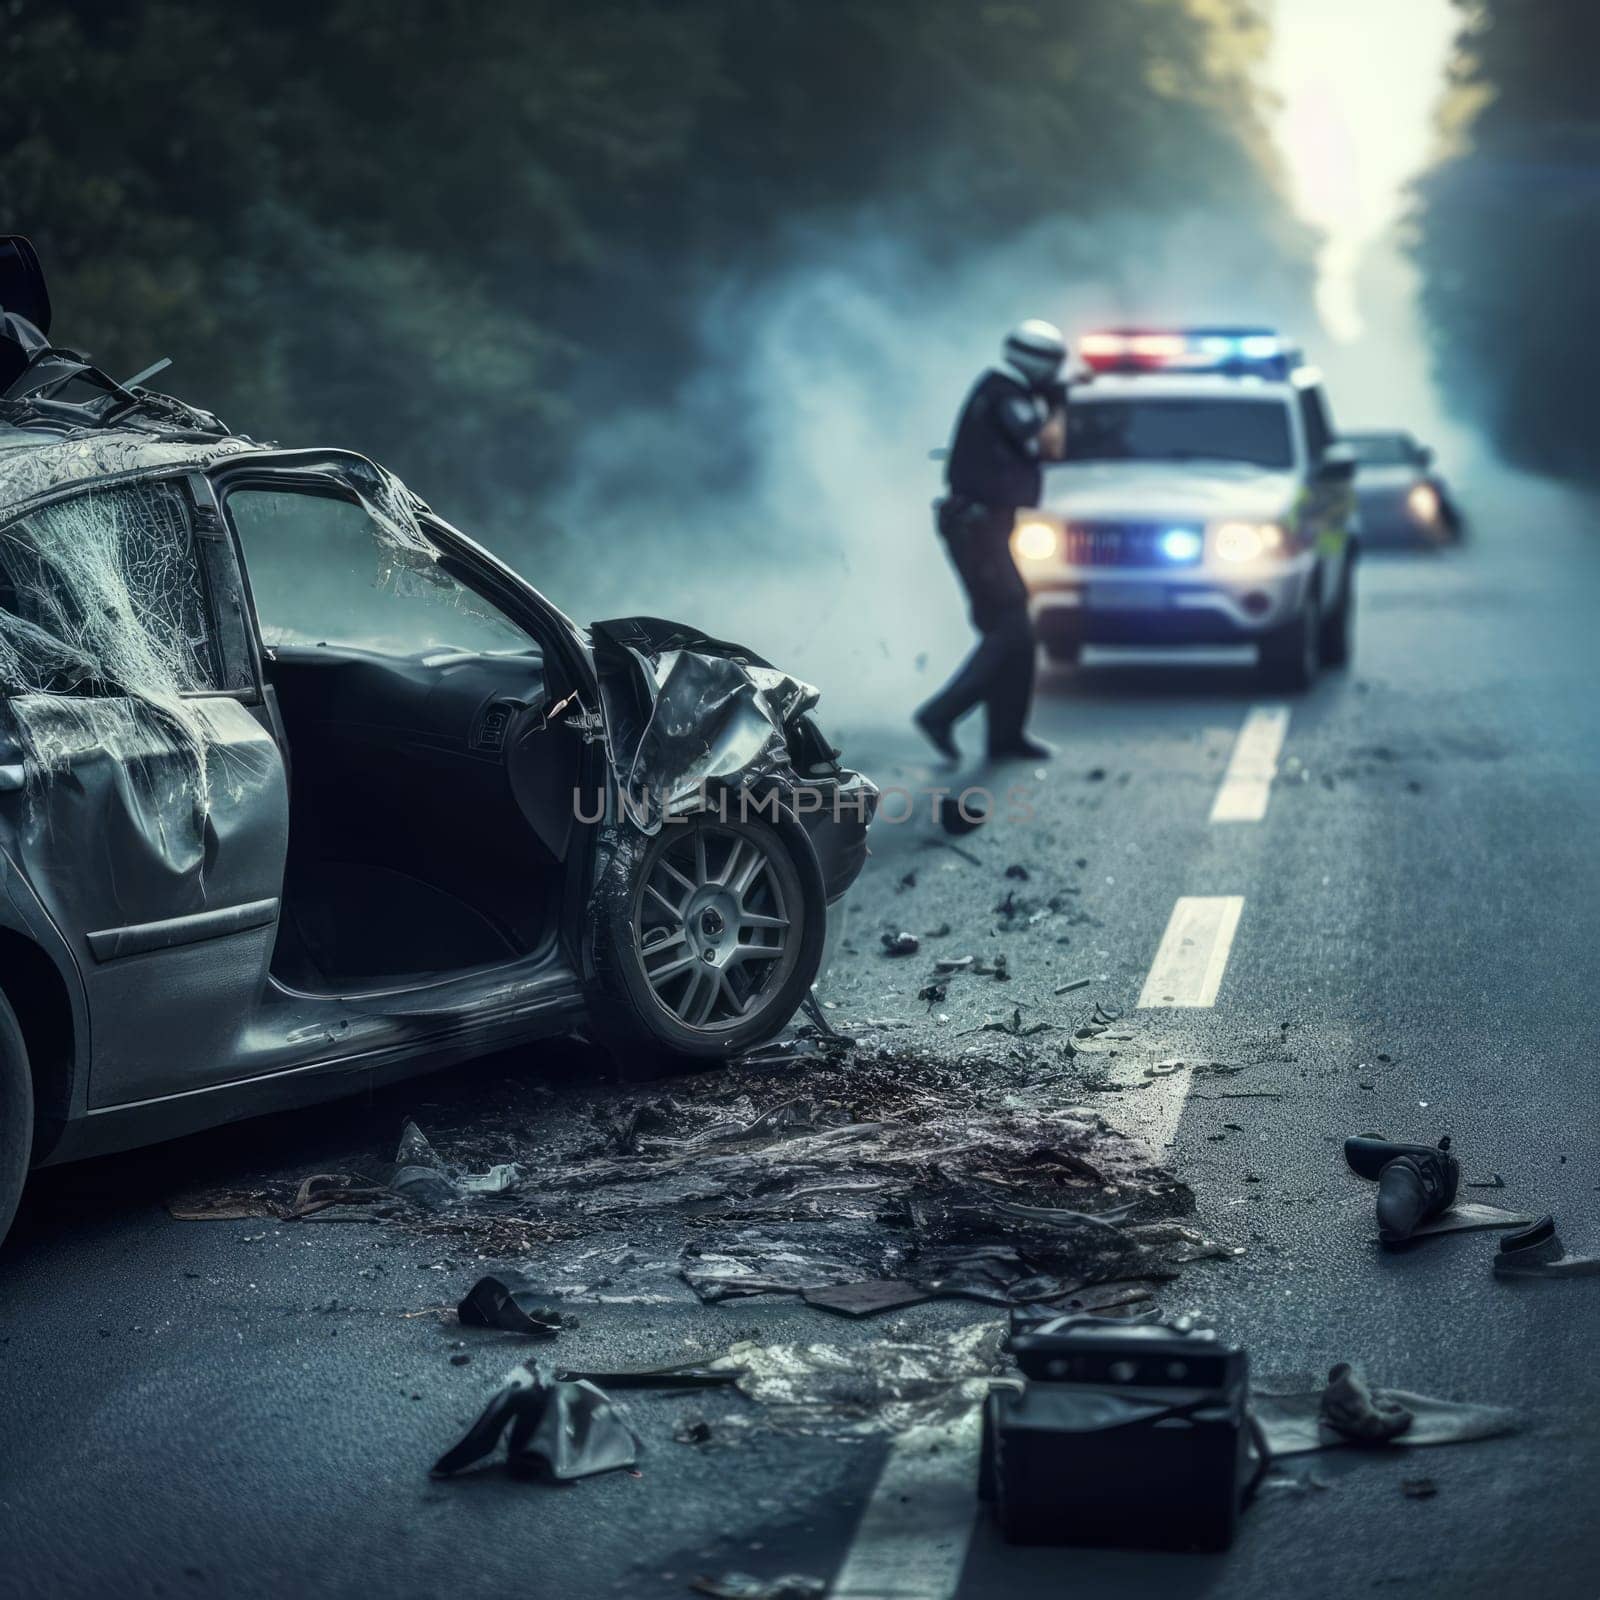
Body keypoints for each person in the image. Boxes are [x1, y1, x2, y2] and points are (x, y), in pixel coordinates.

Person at [915, 320, 1068, 763]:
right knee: (1011, 627)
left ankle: (1005, 737)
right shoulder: (1005, 394)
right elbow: (1049, 445)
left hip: (984, 525)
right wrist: (1057, 409)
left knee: (1012, 628)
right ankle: (940, 714)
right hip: (976, 527)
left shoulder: (1001, 391)